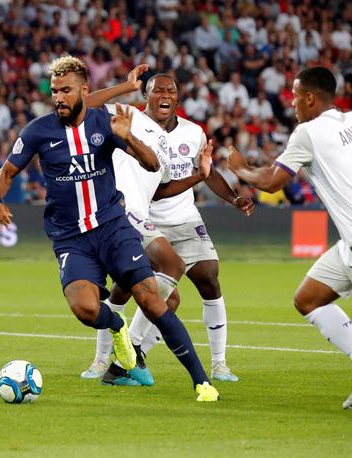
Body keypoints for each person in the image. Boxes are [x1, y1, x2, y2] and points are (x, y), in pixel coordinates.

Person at [0, 56, 219, 401]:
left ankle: (202, 381)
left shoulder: (106, 123)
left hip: (113, 227)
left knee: (152, 298)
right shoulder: (38, 131)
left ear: (84, 89)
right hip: (71, 238)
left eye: (66, 90)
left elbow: (152, 164)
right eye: (54, 91)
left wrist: (129, 138)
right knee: (84, 308)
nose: (59, 98)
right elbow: (6, 172)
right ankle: (117, 326)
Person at [227, 66, 352, 409]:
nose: (293, 103)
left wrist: (238, 168)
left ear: (311, 98)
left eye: (296, 96)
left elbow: (272, 181)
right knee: (307, 299)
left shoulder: (307, 132)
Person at [85, 73, 254, 384]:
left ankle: (205, 363)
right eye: (156, 89)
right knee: (130, 287)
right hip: (137, 215)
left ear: (177, 99)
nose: (164, 94)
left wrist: (232, 197)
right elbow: (83, 105)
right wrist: (126, 86)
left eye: (170, 90)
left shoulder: (187, 135)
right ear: (146, 97)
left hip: (181, 218)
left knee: (201, 283)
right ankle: (109, 358)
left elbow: (203, 172)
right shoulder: (129, 117)